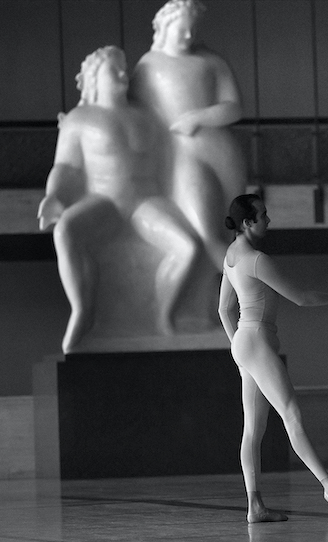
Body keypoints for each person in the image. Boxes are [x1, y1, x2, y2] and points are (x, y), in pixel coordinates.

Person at [38, 46, 200, 353]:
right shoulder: (80, 119)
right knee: (65, 231)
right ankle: (82, 309)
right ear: (94, 78)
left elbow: (174, 160)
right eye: (115, 70)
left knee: (188, 247)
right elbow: (66, 167)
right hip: (105, 200)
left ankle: (164, 313)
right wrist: (54, 196)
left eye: (125, 69)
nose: (124, 75)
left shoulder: (147, 116)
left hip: (145, 202)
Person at [218, 193, 328, 523]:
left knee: (253, 429)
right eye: (263, 215)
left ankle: (255, 507)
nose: (269, 220)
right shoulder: (256, 259)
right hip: (256, 339)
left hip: (244, 341)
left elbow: (224, 309)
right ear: (248, 222)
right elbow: (302, 298)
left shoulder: (231, 255)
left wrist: (238, 349)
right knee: (291, 414)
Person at [131, 0, 247, 268]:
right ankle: (243, 288)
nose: (187, 35)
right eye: (181, 29)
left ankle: (229, 298)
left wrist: (198, 117)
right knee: (204, 231)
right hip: (182, 156)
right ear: (164, 27)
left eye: (192, 29)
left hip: (222, 153)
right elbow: (128, 111)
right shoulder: (149, 66)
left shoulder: (211, 62)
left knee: (232, 230)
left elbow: (234, 108)